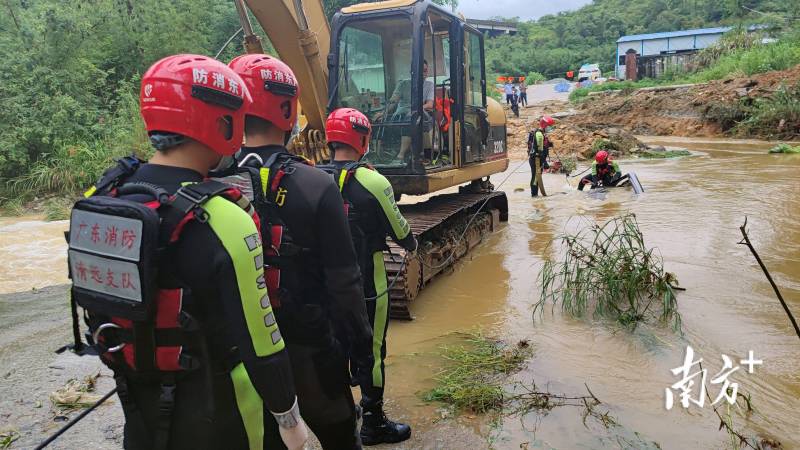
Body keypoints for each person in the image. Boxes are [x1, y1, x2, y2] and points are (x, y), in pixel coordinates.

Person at [68, 54, 307, 450]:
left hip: (137, 404)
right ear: (222, 122)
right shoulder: (225, 218)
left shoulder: (104, 195)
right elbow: (262, 342)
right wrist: (288, 417)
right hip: (221, 414)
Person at [225, 54, 373, 449]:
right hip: (313, 345)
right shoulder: (314, 184)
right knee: (339, 434)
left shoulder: (212, 183)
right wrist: (362, 350)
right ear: (288, 108)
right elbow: (346, 283)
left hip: (246, 358)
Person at [320, 108, 418, 446]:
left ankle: (345, 415)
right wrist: (412, 244)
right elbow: (399, 229)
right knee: (372, 349)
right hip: (368, 280)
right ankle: (374, 422)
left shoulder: (314, 178)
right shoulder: (374, 180)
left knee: (336, 345)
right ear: (363, 140)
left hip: (327, 284)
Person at [394, 60, 435, 162]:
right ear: (412, 71)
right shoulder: (403, 84)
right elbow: (393, 101)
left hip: (417, 113)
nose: (423, 74)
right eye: (420, 71)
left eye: (425, 71)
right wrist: (383, 112)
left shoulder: (429, 85)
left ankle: (401, 155)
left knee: (413, 117)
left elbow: (430, 104)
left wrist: (416, 110)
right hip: (400, 114)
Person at [527, 116, 555, 197]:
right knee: (535, 178)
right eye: (549, 126)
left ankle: (536, 194)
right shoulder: (539, 135)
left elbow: (541, 146)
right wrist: (545, 163)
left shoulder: (541, 133)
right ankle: (534, 196)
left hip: (537, 159)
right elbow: (540, 151)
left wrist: (549, 144)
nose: (550, 128)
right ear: (544, 125)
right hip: (536, 160)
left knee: (537, 177)